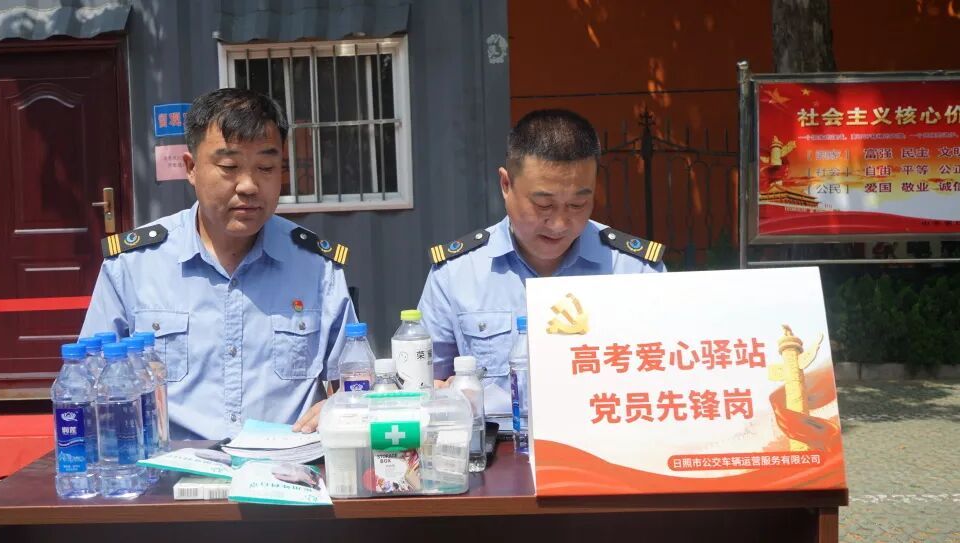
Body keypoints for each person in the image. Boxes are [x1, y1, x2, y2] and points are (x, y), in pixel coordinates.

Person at [81, 89, 356, 440]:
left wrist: (340, 405)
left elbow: (354, 383)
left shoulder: (317, 268)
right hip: (169, 466)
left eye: (266, 168)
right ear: (191, 168)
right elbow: (88, 386)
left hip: (285, 465)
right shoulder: (133, 267)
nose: (249, 186)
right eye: (229, 167)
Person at [416, 109, 666, 426]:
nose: (559, 223)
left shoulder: (635, 271)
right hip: (499, 449)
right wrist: (441, 397)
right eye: (543, 205)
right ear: (506, 184)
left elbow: (667, 374)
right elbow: (423, 381)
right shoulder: (456, 274)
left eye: (577, 204)